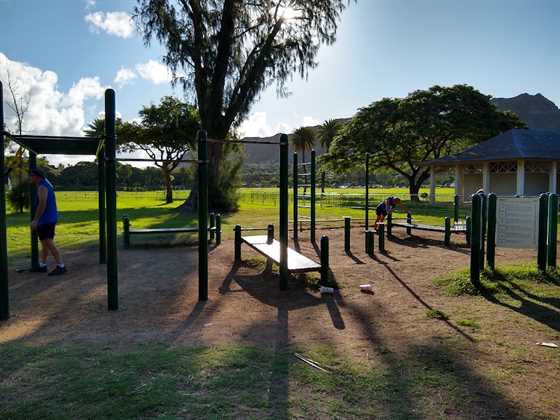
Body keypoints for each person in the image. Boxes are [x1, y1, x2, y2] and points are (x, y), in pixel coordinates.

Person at [30, 169, 66, 276]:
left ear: (37, 176)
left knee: (48, 242)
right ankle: (42, 265)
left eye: (32, 175)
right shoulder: (45, 183)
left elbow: (42, 204)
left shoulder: (42, 187)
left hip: (46, 219)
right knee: (44, 243)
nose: (30, 177)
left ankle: (61, 266)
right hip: (48, 218)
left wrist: (36, 220)